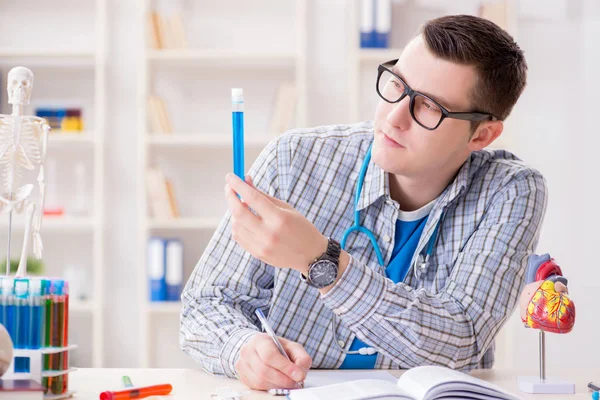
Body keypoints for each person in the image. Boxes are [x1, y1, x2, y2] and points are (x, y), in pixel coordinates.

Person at [180, 14, 547, 391]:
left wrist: (321, 261)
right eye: (397, 84)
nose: (394, 116)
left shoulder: (510, 191)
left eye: (429, 108)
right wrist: (242, 348)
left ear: (482, 135)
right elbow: (204, 304)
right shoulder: (295, 160)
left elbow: (460, 341)